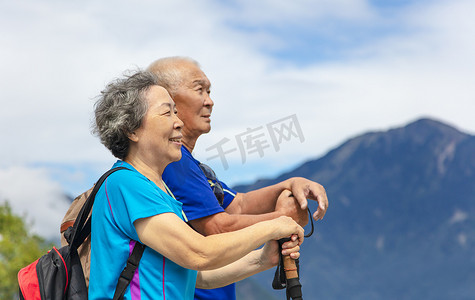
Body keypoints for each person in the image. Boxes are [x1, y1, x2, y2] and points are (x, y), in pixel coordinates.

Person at [88, 70, 304, 300]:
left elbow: (197, 275)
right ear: (131, 129)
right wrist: (275, 225)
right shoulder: (125, 184)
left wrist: (261, 259)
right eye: (167, 113)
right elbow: (198, 253)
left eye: (176, 113)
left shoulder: (159, 189)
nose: (179, 122)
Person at [147, 57, 329, 300]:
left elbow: (239, 204)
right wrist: (282, 219)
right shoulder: (173, 163)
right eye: (199, 90)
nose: (210, 101)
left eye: (209, 91)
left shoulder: (192, 167)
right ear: (168, 100)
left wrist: (289, 185)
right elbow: (217, 227)